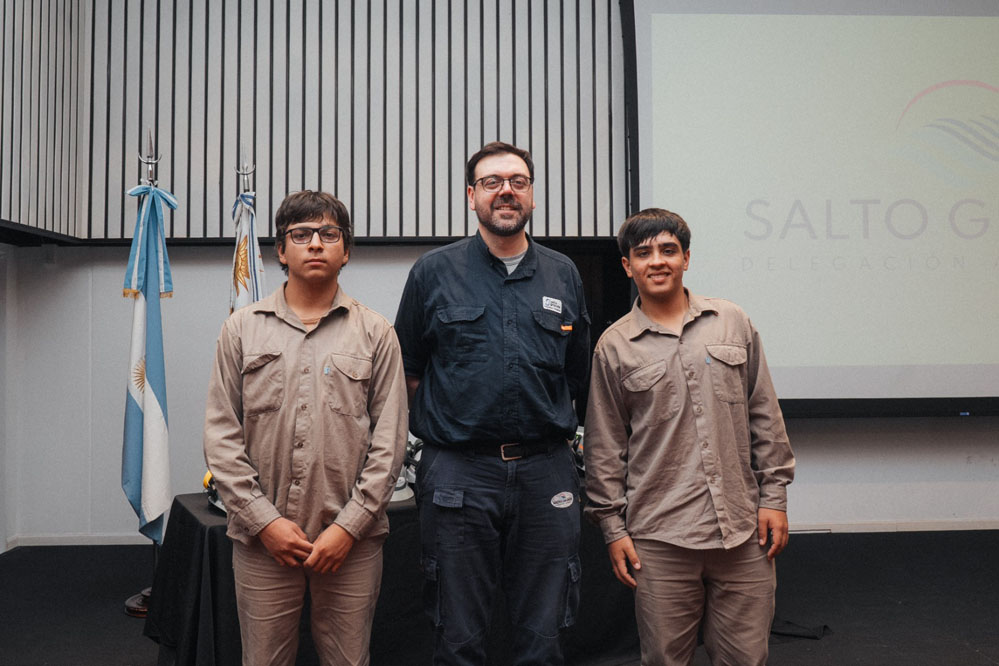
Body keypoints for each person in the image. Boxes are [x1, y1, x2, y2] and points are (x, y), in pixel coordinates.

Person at [394, 141, 591, 665]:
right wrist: (456, 421)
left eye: (518, 181)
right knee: (458, 637)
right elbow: (407, 368)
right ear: (470, 196)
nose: (506, 190)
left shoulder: (563, 274)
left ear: (530, 195)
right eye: (491, 182)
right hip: (459, 473)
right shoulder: (433, 272)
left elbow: (580, 374)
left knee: (545, 637)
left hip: (547, 473)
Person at [203, 190, 408, 666]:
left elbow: (390, 440)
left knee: (348, 659)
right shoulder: (242, 329)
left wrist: (350, 527)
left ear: (346, 250)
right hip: (262, 542)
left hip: (350, 544)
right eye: (301, 234)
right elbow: (221, 433)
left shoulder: (376, 333)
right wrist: (264, 522)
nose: (315, 243)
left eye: (328, 234)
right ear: (281, 250)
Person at [583, 208, 795, 666]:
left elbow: (764, 413)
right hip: (659, 539)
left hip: (742, 534)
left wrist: (774, 497)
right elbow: (605, 447)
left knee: (745, 659)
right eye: (643, 253)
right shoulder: (614, 346)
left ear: (686, 258)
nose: (656, 261)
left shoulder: (732, 321)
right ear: (627, 266)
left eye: (668, 250)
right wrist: (612, 528)